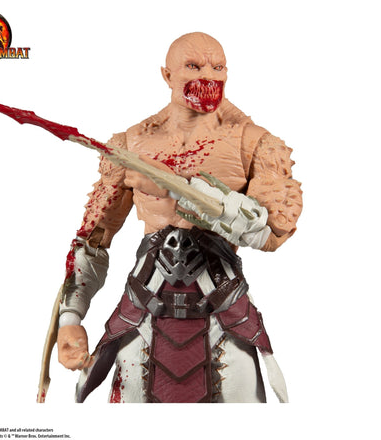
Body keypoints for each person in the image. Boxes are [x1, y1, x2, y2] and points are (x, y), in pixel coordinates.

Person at [56, 32, 303, 403]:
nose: (208, 76)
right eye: (194, 66)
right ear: (167, 75)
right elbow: (93, 239)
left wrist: (179, 189)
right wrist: (70, 319)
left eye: (218, 67)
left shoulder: (255, 143)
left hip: (224, 313)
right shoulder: (130, 144)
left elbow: (271, 232)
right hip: (143, 312)